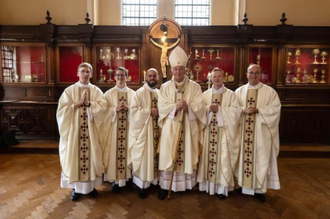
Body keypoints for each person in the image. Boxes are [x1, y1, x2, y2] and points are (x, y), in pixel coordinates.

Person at [157, 46, 206, 200]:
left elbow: (201, 105)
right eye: (175, 69)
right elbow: (162, 106)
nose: (178, 72)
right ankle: (166, 186)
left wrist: (189, 107)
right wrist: (175, 107)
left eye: (180, 69)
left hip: (188, 125)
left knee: (186, 153)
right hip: (171, 127)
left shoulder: (195, 86)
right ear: (171, 70)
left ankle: (184, 185)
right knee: (168, 155)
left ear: (185, 70)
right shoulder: (164, 87)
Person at [57, 62, 107, 201]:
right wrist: (78, 103)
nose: (85, 74)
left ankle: (90, 187)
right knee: (75, 157)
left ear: (91, 74)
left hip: (91, 133)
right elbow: (61, 111)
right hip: (75, 133)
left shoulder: (96, 91)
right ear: (78, 73)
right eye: (83, 71)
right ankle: (76, 189)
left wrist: (90, 104)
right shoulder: (69, 90)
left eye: (88, 71)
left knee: (91, 157)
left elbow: (103, 108)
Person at [235, 64, 281, 203]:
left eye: (256, 73)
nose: (253, 75)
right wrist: (243, 109)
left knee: (261, 159)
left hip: (261, 134)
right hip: (243, 133)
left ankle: (259, 190)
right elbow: (233, 109)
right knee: (242, 158)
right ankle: (244, 186)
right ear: (246, 74)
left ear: (260, 74)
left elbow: (275, 109)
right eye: (251, 72)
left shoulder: (269, 92)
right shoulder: (239, 92)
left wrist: (258, 110)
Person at [197, 67, 241, 199]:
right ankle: (207, 187)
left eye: (219, 76)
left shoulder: (231, 95)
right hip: (209, 132)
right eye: (214, 76)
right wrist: (208, 109)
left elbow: (237, 111)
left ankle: (222, 188)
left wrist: (220, 110)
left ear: (224, 78)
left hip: (224, 134)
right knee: (207, 159)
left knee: (223, 159)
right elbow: (199, 111)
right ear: (210, 79)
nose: (216, 78)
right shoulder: (205, 95)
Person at [129, 68, 160, 199]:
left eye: (154, 76)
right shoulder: (139, 93)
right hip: (144, 132)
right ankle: (143, 185)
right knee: (144, 156)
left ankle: (155, 181)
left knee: (157, 157)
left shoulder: (161, 93)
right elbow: (133, 110)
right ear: (146, 78)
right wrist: (148, 111)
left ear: (158, 78)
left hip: (159, 130)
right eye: (150, 76)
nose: (152, 78)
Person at [102, 67, 135, 193]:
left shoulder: (133, 94)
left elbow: (137, 111)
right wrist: (114, 109)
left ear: (127, 77)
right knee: (115, 153)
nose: (120, 78)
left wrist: (129, 109)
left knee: (128, 153)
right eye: (118, 75)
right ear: (114, 77)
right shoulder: (108, 94)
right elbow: (103, 111)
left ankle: (127, 179)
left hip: (129, 129)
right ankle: (116, 181)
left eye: (123, 75)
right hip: (114, 129)